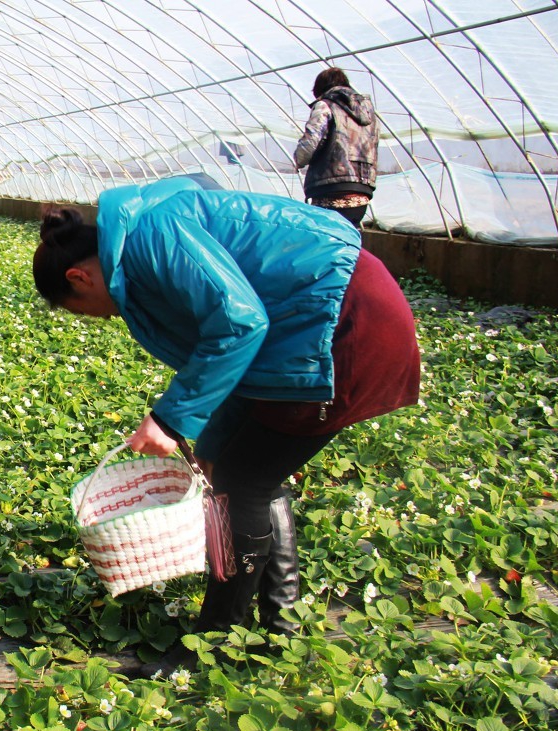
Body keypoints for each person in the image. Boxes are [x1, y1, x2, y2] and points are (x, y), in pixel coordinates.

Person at [31, 177, 420, 677]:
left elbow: (239, 323)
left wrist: (170, 419)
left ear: (79, 278)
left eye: (77, 310)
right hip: (313, 322)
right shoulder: (139, 237)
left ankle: (212, 642)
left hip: (342, 326)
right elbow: (236, 355)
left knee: (241, 485)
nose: (93, 319)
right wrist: (209, 440)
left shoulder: (152, 235)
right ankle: (279, 627)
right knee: (244, 473)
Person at [293, 67, 379, 227]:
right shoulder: (369, 113)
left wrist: (298, 159)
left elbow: (311, 142)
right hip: (361, 192)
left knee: (326, 240)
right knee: (344, 240)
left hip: (332, 189)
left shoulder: (326, 106)